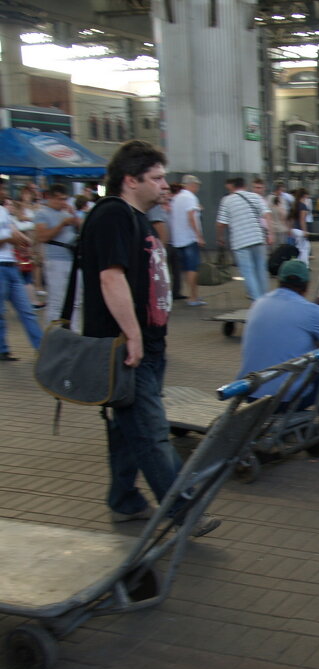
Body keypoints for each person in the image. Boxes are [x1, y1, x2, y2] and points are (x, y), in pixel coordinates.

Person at [80, 140, 217, 535]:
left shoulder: (136, 216)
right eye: (156, 178)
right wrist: (133, 336)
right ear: (130, 180)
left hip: (146, 346)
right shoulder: (113, 216)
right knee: (153, 432)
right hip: (127, 348)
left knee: (127, 428)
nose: (164, 185)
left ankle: (123, 501)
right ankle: (184, 512)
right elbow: (111, 276)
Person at [237, 259, 319, 441]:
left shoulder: (258, 303)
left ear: (279, 281)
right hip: (284, 399)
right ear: (306, 286)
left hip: (250, 394)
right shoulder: (311, 311)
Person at [0, 177, 42, 360]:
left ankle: (42, 348)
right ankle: (2, 349)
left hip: (11, 266)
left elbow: (13, 231)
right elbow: (9, 236)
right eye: (2, 189)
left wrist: (23, 242)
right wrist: (10, 240)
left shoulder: (4, 211)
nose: (5, 193)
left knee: (26, 310)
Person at [216, 176, 272, 302]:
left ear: (232, 186)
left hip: (240, 242)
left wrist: (219, 237)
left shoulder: (227, 200)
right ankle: (265, 301)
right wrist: (270, 234)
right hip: (258, 238)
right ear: (244, 186)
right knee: (261, 270)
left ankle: (257, 301)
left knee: (248, 272)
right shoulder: (255, 197)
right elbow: (267, 215)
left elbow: (220, 223)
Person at [34, 184, 81, 326]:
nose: (62, 202)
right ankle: (53, 335)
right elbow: (42, 237)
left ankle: (75, 333)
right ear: (50, 197)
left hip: (72, 259)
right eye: (59, 199)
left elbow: (82, 229)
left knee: (76, 301)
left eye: (65, 199)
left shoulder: (67, 213)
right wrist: (62, 224)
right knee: (56, 301)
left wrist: (74, 216)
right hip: (55, 260)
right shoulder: (42, 213)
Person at [169, 174, 205, 306]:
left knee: (185, 269)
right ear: (192, 185)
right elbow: (191, 217)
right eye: (196, 186)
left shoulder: (176, 198)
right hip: (189, 238)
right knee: (192, 268)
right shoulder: (190, 198)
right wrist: (199, 236)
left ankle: (192, 295)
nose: (197, 188)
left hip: (178, 239)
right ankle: (193, 297)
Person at [288, 187, 311, 266]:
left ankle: (297, 264)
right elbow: (302, 220)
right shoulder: (303, 206)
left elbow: (291, 219)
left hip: (294, 230)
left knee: (298, 248)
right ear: (304, 195)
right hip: (300, 230)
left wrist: (290, 229)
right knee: (305, 248)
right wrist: (305, 231)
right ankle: (304, 265)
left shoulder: (295, 205)